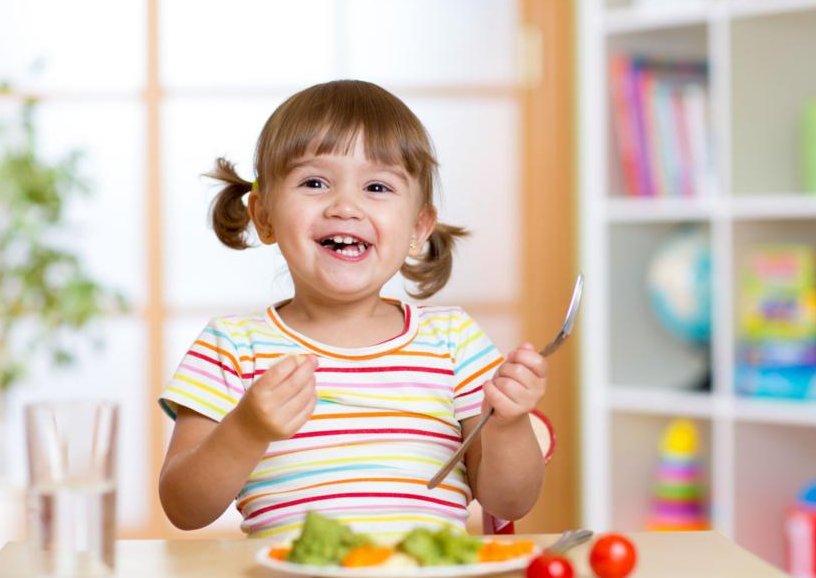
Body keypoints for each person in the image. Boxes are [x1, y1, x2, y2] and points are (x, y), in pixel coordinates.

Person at [158, 80, 548, 541]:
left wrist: (508, 424)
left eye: (377, 186)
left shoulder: (453, 340)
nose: (345, 207)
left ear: (418, 227)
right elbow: (184, 507)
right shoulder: (233, 346)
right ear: (264, 216)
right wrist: (245, 429)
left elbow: (509, 501)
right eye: (314, 183)